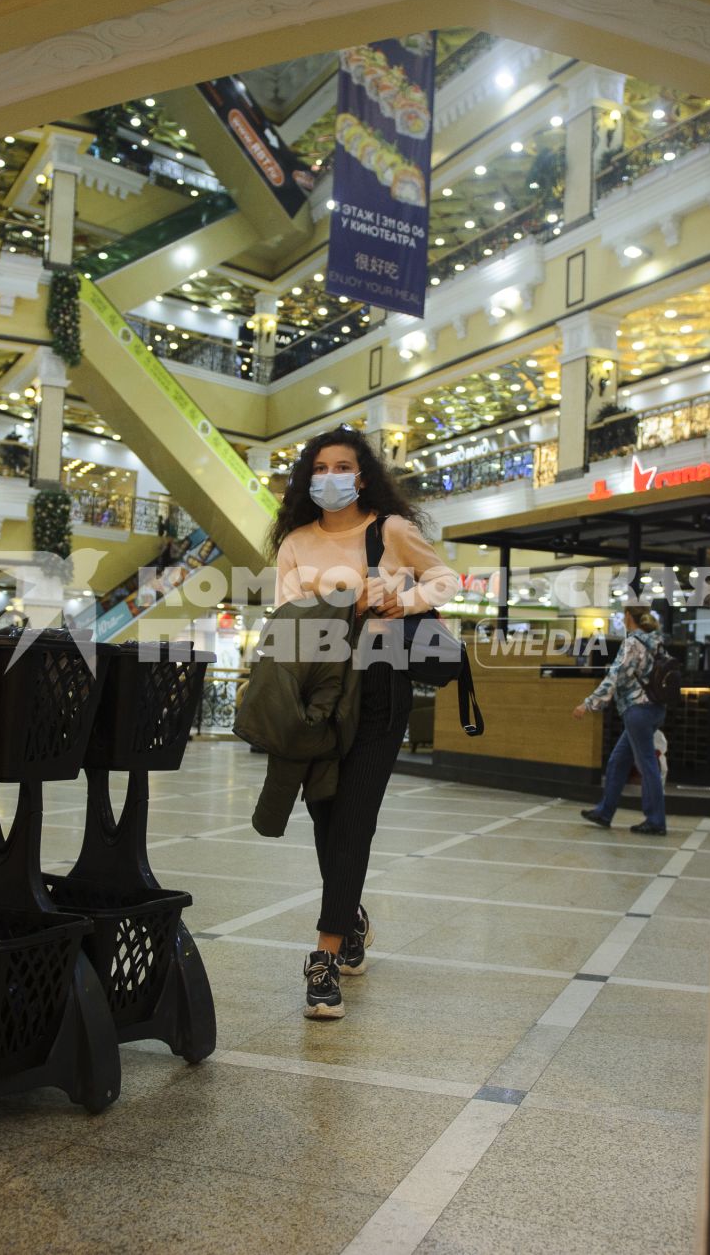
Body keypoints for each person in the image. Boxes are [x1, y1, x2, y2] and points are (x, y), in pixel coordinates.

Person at [270, 426, 457, 1020]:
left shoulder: (391, 530)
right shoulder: (296, 541)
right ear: (308, 477)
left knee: (354, 818)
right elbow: (285, 616)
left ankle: (324, 958)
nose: (331, 477)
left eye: (343, 466)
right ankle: (350, 919)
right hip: (318, 691)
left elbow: (447, 579)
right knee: (325, 811)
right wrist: (349, 604)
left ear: (363, 473)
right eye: (320, 467)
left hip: (380, 685)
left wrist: (407, 601)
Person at [573, 606, 670, 835]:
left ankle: (656, 821)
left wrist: (588, 704)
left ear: (628, 617)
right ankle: (604, 812)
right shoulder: (657, 641)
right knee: (618, 761)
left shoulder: (632, 643)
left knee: (647, 766)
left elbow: (614, 677)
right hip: (655, 708)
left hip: (637, 710)